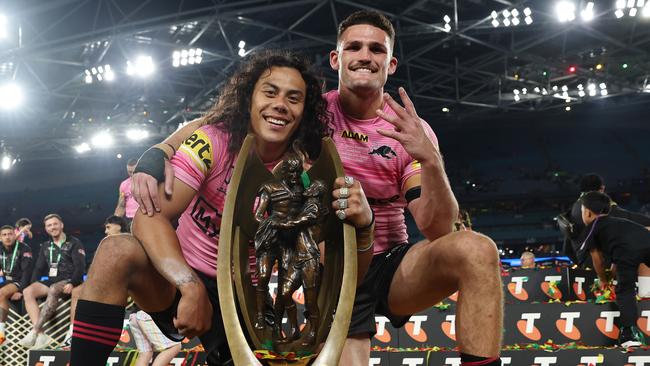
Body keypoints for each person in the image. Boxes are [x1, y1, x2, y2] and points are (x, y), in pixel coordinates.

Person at [132, 10, 503, 366]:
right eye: (353, 47)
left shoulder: (410, 130)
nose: (364, 56)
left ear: (390, 64)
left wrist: (432, 161)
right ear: (335, 58)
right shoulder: (306, 113)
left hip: (389, 264)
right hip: (331, 270)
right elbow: (220, 119)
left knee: (475, 249)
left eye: (377, 49)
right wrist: (159, 151)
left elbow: (437, 228)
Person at [70, 49, 375, 366]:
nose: (280, 105)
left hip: (245, 299)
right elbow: (149, 219)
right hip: (176, 278)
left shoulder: (307, 175)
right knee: (115, 251)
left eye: (293, 98)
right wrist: (188, 284)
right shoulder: (213, 140)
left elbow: (343, 274)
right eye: (269, 93)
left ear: (304, 111)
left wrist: (365, 226)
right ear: (249, 99)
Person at [580, 191, 649, 347]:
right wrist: (611, 274)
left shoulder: (593, 227)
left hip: (627, 251)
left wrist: (604, 280)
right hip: (645, 240)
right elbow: (617, 256)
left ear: (587, 212)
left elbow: (597, 259)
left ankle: (629, 334)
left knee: (625, 289)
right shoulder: (618, 222)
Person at [19, 214, 86, 350]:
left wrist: (72, 283)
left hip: (69, 279)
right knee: (28, 291)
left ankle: (36, 331)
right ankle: (42, 336)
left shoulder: (74, 243)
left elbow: (80, 267)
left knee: (54, 288)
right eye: (49, 225)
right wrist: (33, 283)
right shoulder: (45, 246)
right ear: (46, 228)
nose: (52, 227)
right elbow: (38, 268)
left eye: (55, 224)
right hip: (52, 279)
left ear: (61, 225)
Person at [65, 215, 131, 345]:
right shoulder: (106, 243)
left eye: (108, 227)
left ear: (118, 226)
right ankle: (73, 331)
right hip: (104, 282)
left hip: (122, 283)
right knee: (77, 291)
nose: (106, 231)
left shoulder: (128, 241)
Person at [0, 225, 34, 345]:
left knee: (2, 293)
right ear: (0, 237)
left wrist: (20, 290)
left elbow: (27, 272)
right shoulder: (0, 248)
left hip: (20, 281)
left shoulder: (24, 248)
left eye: (10, 234)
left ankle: (1, 336)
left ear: (15, 236)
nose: (7, 237)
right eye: (4, 235)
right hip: (7, 281)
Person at [114, 158, 139, 224]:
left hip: (145, 216)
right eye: (130, 172)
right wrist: (114, 222)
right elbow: (121, 206)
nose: (132, 174)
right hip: (129, 219)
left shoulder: (147, 181)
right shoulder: (124, 185)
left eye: (134, 171)